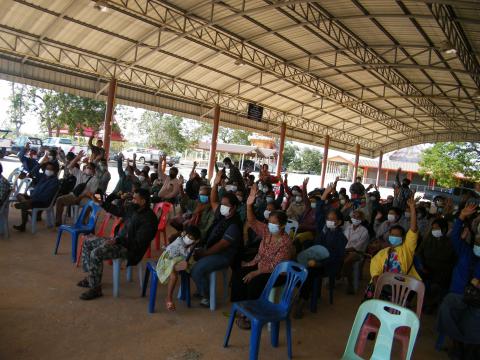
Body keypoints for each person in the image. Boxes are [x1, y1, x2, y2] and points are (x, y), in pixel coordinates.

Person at [77, 188, 158, 300]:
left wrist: (118, 240)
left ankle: (96, 289)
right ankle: (91, 278)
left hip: (130, 250)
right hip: (119, 241)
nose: (132, 200)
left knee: (96, 253)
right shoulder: (133, 208)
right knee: (88, 242)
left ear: (143, 201)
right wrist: (100, 202)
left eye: (135, 199)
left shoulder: (149, 219)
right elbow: (116, 210)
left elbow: (138, 243)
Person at [230, 183, 292, 329]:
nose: (270, 225)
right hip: (259, 265)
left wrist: (255, 271)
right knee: (239, 275)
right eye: (269, 222)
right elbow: (251, 221)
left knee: (254, 283)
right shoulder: (267, 232)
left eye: (274, 223)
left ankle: (252, 317)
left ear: (282, 226)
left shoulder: (286, 242)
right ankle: (240, 308)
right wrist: (249, 204)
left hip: (277, 273)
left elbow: (276, 266)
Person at [190, 169, 243, 308]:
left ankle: (206, 297)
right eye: (222, 204)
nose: (223, 207)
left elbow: (222, 245)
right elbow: (213, 200)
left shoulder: (234, 225)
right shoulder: (222, 214)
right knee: (188, 260)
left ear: (234, 208)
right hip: (211, 248)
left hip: (223, 256)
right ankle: (202, 287)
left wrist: (204, 253)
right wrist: (215, 184)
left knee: (197, 269)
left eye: (226, 205)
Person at [294, 182, 347, 318]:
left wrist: (319, 263)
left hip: (327, 265)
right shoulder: (323, 228)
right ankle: (304, 291)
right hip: (314, 258)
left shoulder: (340, 237)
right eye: (328, 218)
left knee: (310, 271)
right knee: (297, 263)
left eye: (332, 220)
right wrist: (324, 195)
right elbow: (319, 211)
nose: (328, 221)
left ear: (339, 222)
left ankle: (302, 301)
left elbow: (337, 257)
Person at [437, 204, 480, 358]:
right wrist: (461, 216)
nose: (478, 244)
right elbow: (455, 237)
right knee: (446, 307)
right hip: (458, 294)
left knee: (474, 318)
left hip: (476, 301)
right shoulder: (466, 252)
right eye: (477, 242)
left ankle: (464, 346)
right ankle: (458, 341)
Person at [365, 198, 420, 299]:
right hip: (381, 285)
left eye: (397, 235)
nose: (394, 236)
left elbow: (413, 229)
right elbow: (375, 269)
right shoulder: (382, 253)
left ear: (403, 238)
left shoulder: (407, 249)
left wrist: (412, 208)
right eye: (392, 234)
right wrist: (377, 280)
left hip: (400, 287)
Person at [156, 225, 201, 311]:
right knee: (174, 276)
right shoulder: (179, 242)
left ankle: (177, 269)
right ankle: (169, 298)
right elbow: (185, 254)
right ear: (184, 234)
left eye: (192, 239)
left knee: (186, 264)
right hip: (166, 261)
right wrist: (193, 246)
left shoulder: (183, 242)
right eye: (189, 237)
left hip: (174, 259)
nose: (189, 239)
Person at [415, 218, 456, 312]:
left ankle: (431, 303)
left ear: (444, 229)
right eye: (433, 228)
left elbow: (450, 259)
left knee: (436, 286)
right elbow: (419, 253)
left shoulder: (450, 242)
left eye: (437, 228)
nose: (434, 231)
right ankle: (424, 302)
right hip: (425, 269)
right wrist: (422, 266)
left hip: (441, 272)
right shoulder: (428, 239)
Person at [13, 159, 60, 232]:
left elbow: (46, 196)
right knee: (19, 195)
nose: (48, 170)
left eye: (50, 169)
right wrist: (40, 164)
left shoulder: (54, 181)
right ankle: (25, 203)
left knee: (26, 203)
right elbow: (33, 172)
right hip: (33, 198)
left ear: (55, 171)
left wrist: (32, 200)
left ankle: (23, 224)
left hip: (42, 202)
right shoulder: (43, 177)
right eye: (47, 168)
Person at [55, 151, 99, 226]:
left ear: (94, 171)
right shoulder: (80, 173)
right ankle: (58, 221)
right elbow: (69, 167)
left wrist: (80, 197)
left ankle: (82, 222)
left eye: (90, 168)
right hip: (74, 195)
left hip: (85, 198)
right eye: (87, 167)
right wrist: (77, 158)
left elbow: (91, 193)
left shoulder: (95, 180)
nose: (88, 169)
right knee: (59, 200)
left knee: (90, 205)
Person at [341, 209, 370, 294]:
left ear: (361, 219)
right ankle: (350, 284)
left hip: (358, 253)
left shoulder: (364, 231)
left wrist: (345, 250)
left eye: (358, 217)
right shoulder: (347, 227)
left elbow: (358, 247)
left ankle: (341, 273)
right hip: (345, 250)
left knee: (349, 259)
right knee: (348, 263)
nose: (355, 218)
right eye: (354, 216)